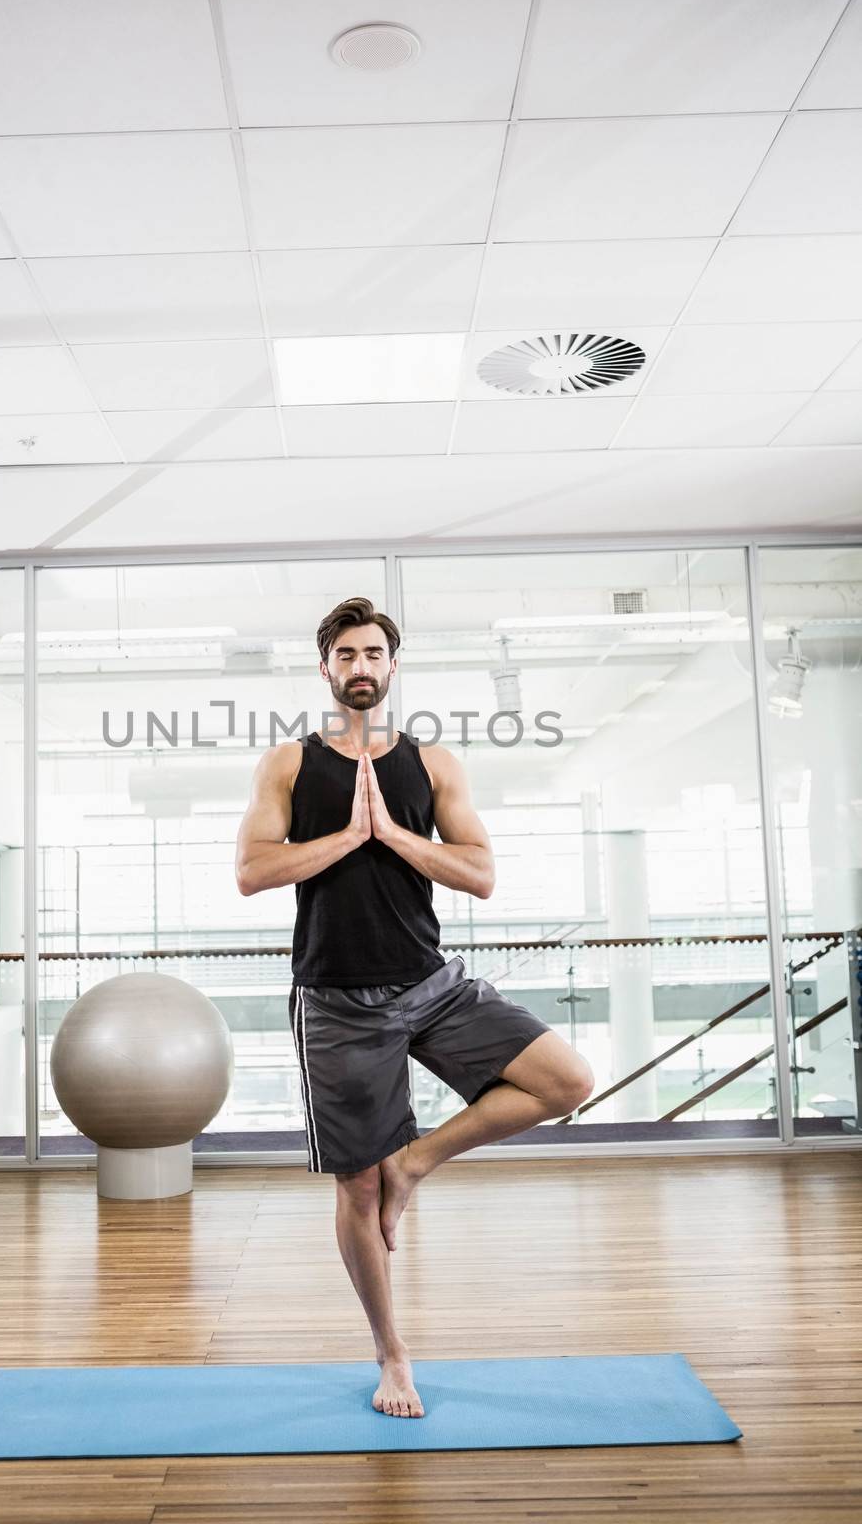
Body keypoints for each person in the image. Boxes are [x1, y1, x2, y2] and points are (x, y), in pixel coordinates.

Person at [235, 596, 595, 1419]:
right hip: (335, 1000)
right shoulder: (288, 766)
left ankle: (417, 1161)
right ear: (324, 668)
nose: (360, 667)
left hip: (431, 983)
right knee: (356, 1191)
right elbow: (253, 871)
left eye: (373, 654)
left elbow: (479, 874)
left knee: (565, 1081)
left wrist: (396, 835)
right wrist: (349, 837)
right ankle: (392, 1357)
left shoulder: (433, 765)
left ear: (392, 668)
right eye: (346, 655)